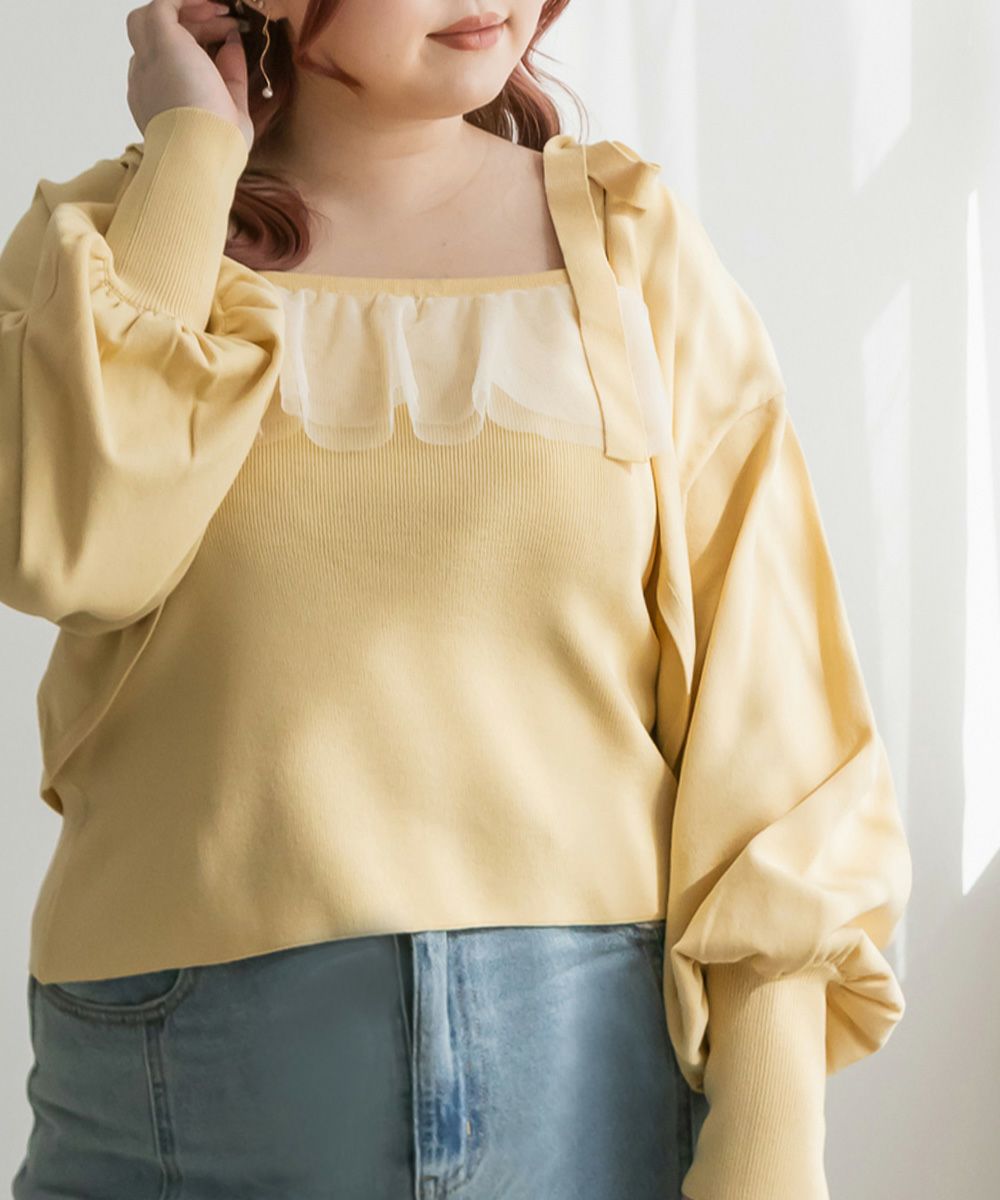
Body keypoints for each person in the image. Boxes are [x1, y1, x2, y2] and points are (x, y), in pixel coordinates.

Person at [0, 2, 912, 1197]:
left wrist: (769, 1141)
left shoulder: (627, 243)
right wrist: (190, 154)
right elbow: (69, 549)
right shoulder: (109, 248)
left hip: (588, 1080)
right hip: (188, 1085)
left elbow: (774, 723)